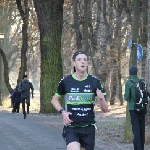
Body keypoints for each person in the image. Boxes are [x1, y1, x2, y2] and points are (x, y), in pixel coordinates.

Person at [51, 50, 108, 150]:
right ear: (73, 63)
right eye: (79, 60)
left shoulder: (95, 82)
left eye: (85, 60)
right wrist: (63, 112)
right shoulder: (65, 82)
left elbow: (105, 110)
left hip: (89, 128)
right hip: (72, 127)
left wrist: (101, 99)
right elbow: (54, 100)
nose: (83, 62)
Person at [124, 66, 145, 150]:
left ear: (130, 73)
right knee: (142, 129)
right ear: (137, 72)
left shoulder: (129, 83)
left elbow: (127, 98)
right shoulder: (142, 82)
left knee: (136, 129)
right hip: (142, 108)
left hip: (133, 108)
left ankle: (137, 148)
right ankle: (142, 148)